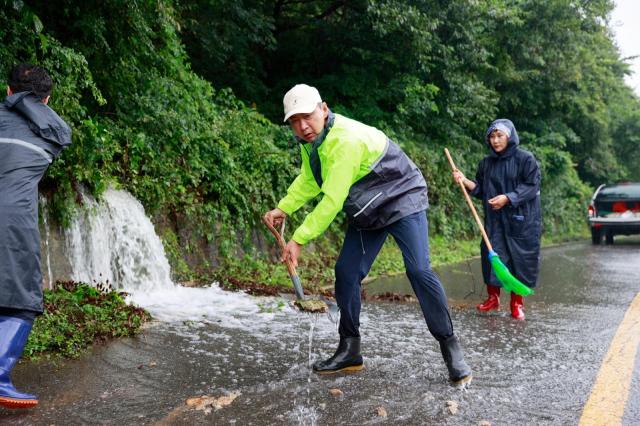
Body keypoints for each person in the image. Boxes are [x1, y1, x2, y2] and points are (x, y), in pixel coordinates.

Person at [263, 84, 472, 385]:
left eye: (307, 117)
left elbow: (333, 199)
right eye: (294, 121)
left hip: (402, 198)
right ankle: (350, 349)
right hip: (367, 208)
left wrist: (298, 239)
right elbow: (310, 179)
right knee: (346, 272)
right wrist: (284, 207)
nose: (302, 126)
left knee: (418, 270)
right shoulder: (311, 142)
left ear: (323, 109)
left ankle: (450, 346)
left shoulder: (345, 140)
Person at [0, 64, 72, 408]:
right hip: (12, 220)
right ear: (47, 99)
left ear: (8, 92)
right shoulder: (52, 134)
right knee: (21, 299)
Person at [452, 119, 541, 320]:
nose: (495, 140)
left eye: (499, 135)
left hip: (521, 220)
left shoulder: (525, 159)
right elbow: (481, 190)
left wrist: (508, 198)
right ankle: (493, 298)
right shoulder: (486, 163)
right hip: (495, 220)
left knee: (519, 261)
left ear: (510, 137)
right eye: (491, 136)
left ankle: (517, 303)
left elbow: (531, 186)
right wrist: (464, 180)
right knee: (492, 256)